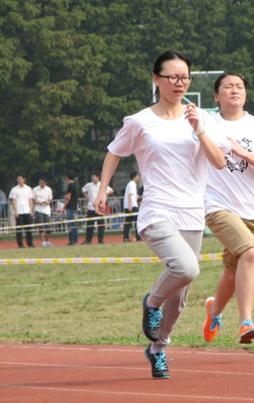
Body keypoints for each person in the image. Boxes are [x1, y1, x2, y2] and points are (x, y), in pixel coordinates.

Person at [92, 50, 231, 379]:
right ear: (156, 79)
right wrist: (102, 190)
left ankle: (158, 348)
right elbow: (114, 151)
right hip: (157, 210)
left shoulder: (202, 118)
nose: (179, 83)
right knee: (186, 268)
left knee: (181, 295)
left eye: (185, 78)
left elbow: (220, 162)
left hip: (192, 214)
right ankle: (151, 303)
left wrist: (199, 130)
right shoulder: (140, 121)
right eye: (172, 77)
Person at [202, 72, 254, 346]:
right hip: (217, 206)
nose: (235, 90)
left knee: (233, 271)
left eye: (239, 87)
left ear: (245, 94)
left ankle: (214, 312)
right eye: (228, 87)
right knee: (250, 253)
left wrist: (244, 153)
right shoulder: (207, 124)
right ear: (216, 96)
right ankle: (246, 322)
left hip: (253, 211)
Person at [81, 171, 114, 245]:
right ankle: (88, 240)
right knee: (90, 225)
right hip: (91, 207)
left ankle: (101, 239)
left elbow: (111, 190)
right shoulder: (89, 185)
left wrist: (104, 196)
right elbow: (83, 190)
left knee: (101, 224)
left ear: (98, 177)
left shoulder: (102, 185)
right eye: (92, 177)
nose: (93, 178)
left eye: (94, 177)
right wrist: (87, 197)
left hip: (99, 208)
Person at [9, 175, 35, 248]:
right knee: (19, 228)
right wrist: (16, 211)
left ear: (24, 179)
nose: (18, 180)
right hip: (19, 211)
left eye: (20, 179)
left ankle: (30, 243)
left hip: (27, 210)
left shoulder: (28, 189)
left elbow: (30, 200)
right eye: (18, 179)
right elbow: (14, 201)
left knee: (28, 228)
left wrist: (31, 210)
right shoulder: (14, 189)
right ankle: (20, 244)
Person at [33, 177, 54, 247]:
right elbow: (32, 200)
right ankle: (42, 241)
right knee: (41, 225)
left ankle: (47, 241)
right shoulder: (35, 189)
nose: (40, 184)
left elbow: (50, 199)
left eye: (42, 182)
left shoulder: (48, 189)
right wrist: (39, 203)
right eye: (39, 182)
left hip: (46, 209)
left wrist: (48, 202)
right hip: (38, 209)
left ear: (45, 183)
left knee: (48, 226)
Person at [123, 171, 142, 242]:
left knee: (128, 222)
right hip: (132, 206)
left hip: (129, 205)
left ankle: (126, 237)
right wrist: (130, 206)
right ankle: (138, 237)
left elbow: (132, 195)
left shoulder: (130, 184)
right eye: (137, 176)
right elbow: (130, 194)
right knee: (137, 221)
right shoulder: (132, 184)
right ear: (135, 177)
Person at [63, 171, 79, 246]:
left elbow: (68, 197)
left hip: (70, 207)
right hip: (74, 206)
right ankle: (75, 239)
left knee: (70, 224)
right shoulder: (75, 185)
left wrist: (64, 206)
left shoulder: (70, 186)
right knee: (74, 224)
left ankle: (72, 240)